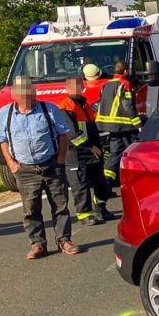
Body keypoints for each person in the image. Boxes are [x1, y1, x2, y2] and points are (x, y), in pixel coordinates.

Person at [0, 76, 81, 258]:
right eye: (22, 94)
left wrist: (61, 159)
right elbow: (1, 140)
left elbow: (63, 135)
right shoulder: (5, 113)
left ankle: (64, 240)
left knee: (60, 205)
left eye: (29, 93)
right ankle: (37, 244)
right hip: (24, 170)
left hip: (51, 165)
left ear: (33, 93)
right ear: (15, 96)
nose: (26, 97)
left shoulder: (49, 109)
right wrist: (11, 163)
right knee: (31, 209)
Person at [58, 77, 112, 226]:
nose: (78, 89)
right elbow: (72, 134)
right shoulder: (65, 106)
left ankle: (101, 208)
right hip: (76, 154)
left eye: (79, 86)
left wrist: (98, 145)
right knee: (80, 186)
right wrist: (90, 147)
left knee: (100, 182)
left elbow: (92, 127)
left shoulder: (84, 103)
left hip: (93, 151)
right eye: (74, 87)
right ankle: (85, 215)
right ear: (68, 88)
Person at [95, 60, 141, 192]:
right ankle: (135, 182)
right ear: (125, 71)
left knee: (115, 154)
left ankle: (105, 183)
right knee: (135, 152)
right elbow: (128, 105)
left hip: (108, 126)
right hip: (124, 126)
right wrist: (138, 124)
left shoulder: (106, 84)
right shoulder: (125, 84)